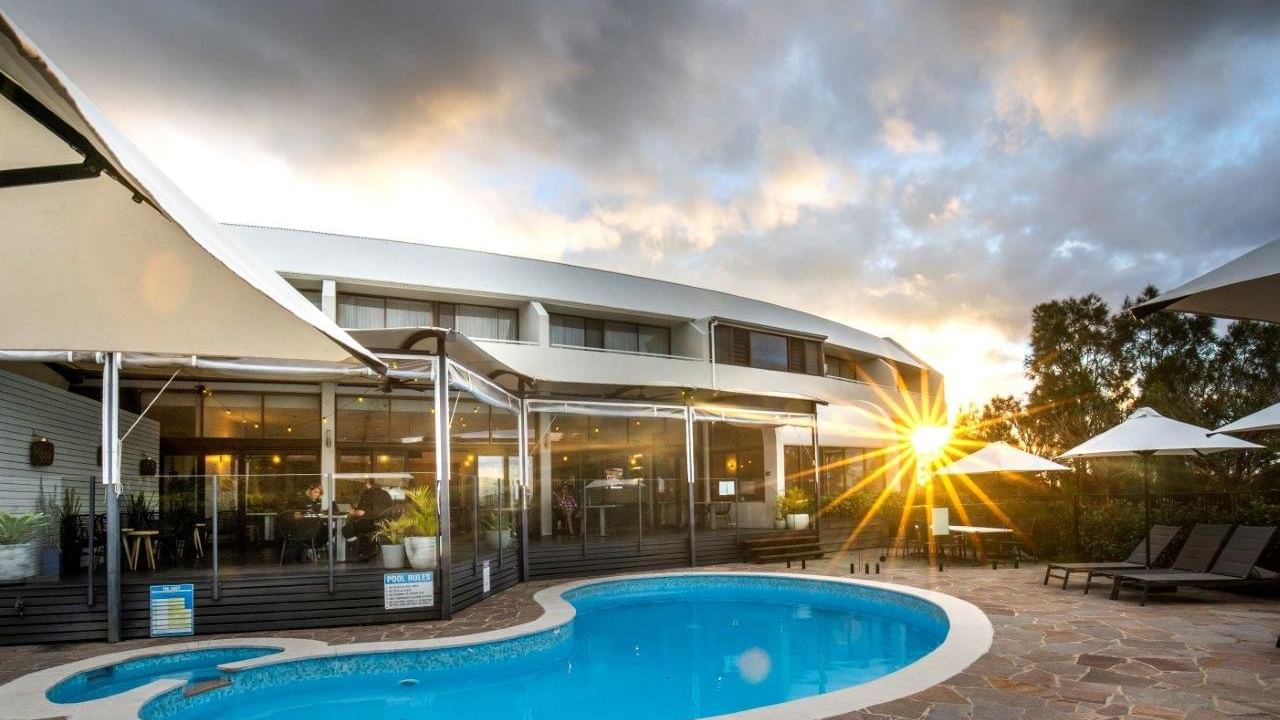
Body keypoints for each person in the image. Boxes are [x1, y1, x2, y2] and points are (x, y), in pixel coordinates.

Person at [342, 478, 394, 560]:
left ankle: (362, 549)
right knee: (360, 529)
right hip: (383, 524)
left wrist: (352, 512)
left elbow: (360, 513)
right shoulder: (386, 494)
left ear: (368, 483)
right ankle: (368, 547)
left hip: (369, 523)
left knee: (346, 529)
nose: (363, 485)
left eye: (364, 483)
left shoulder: (367, 493)